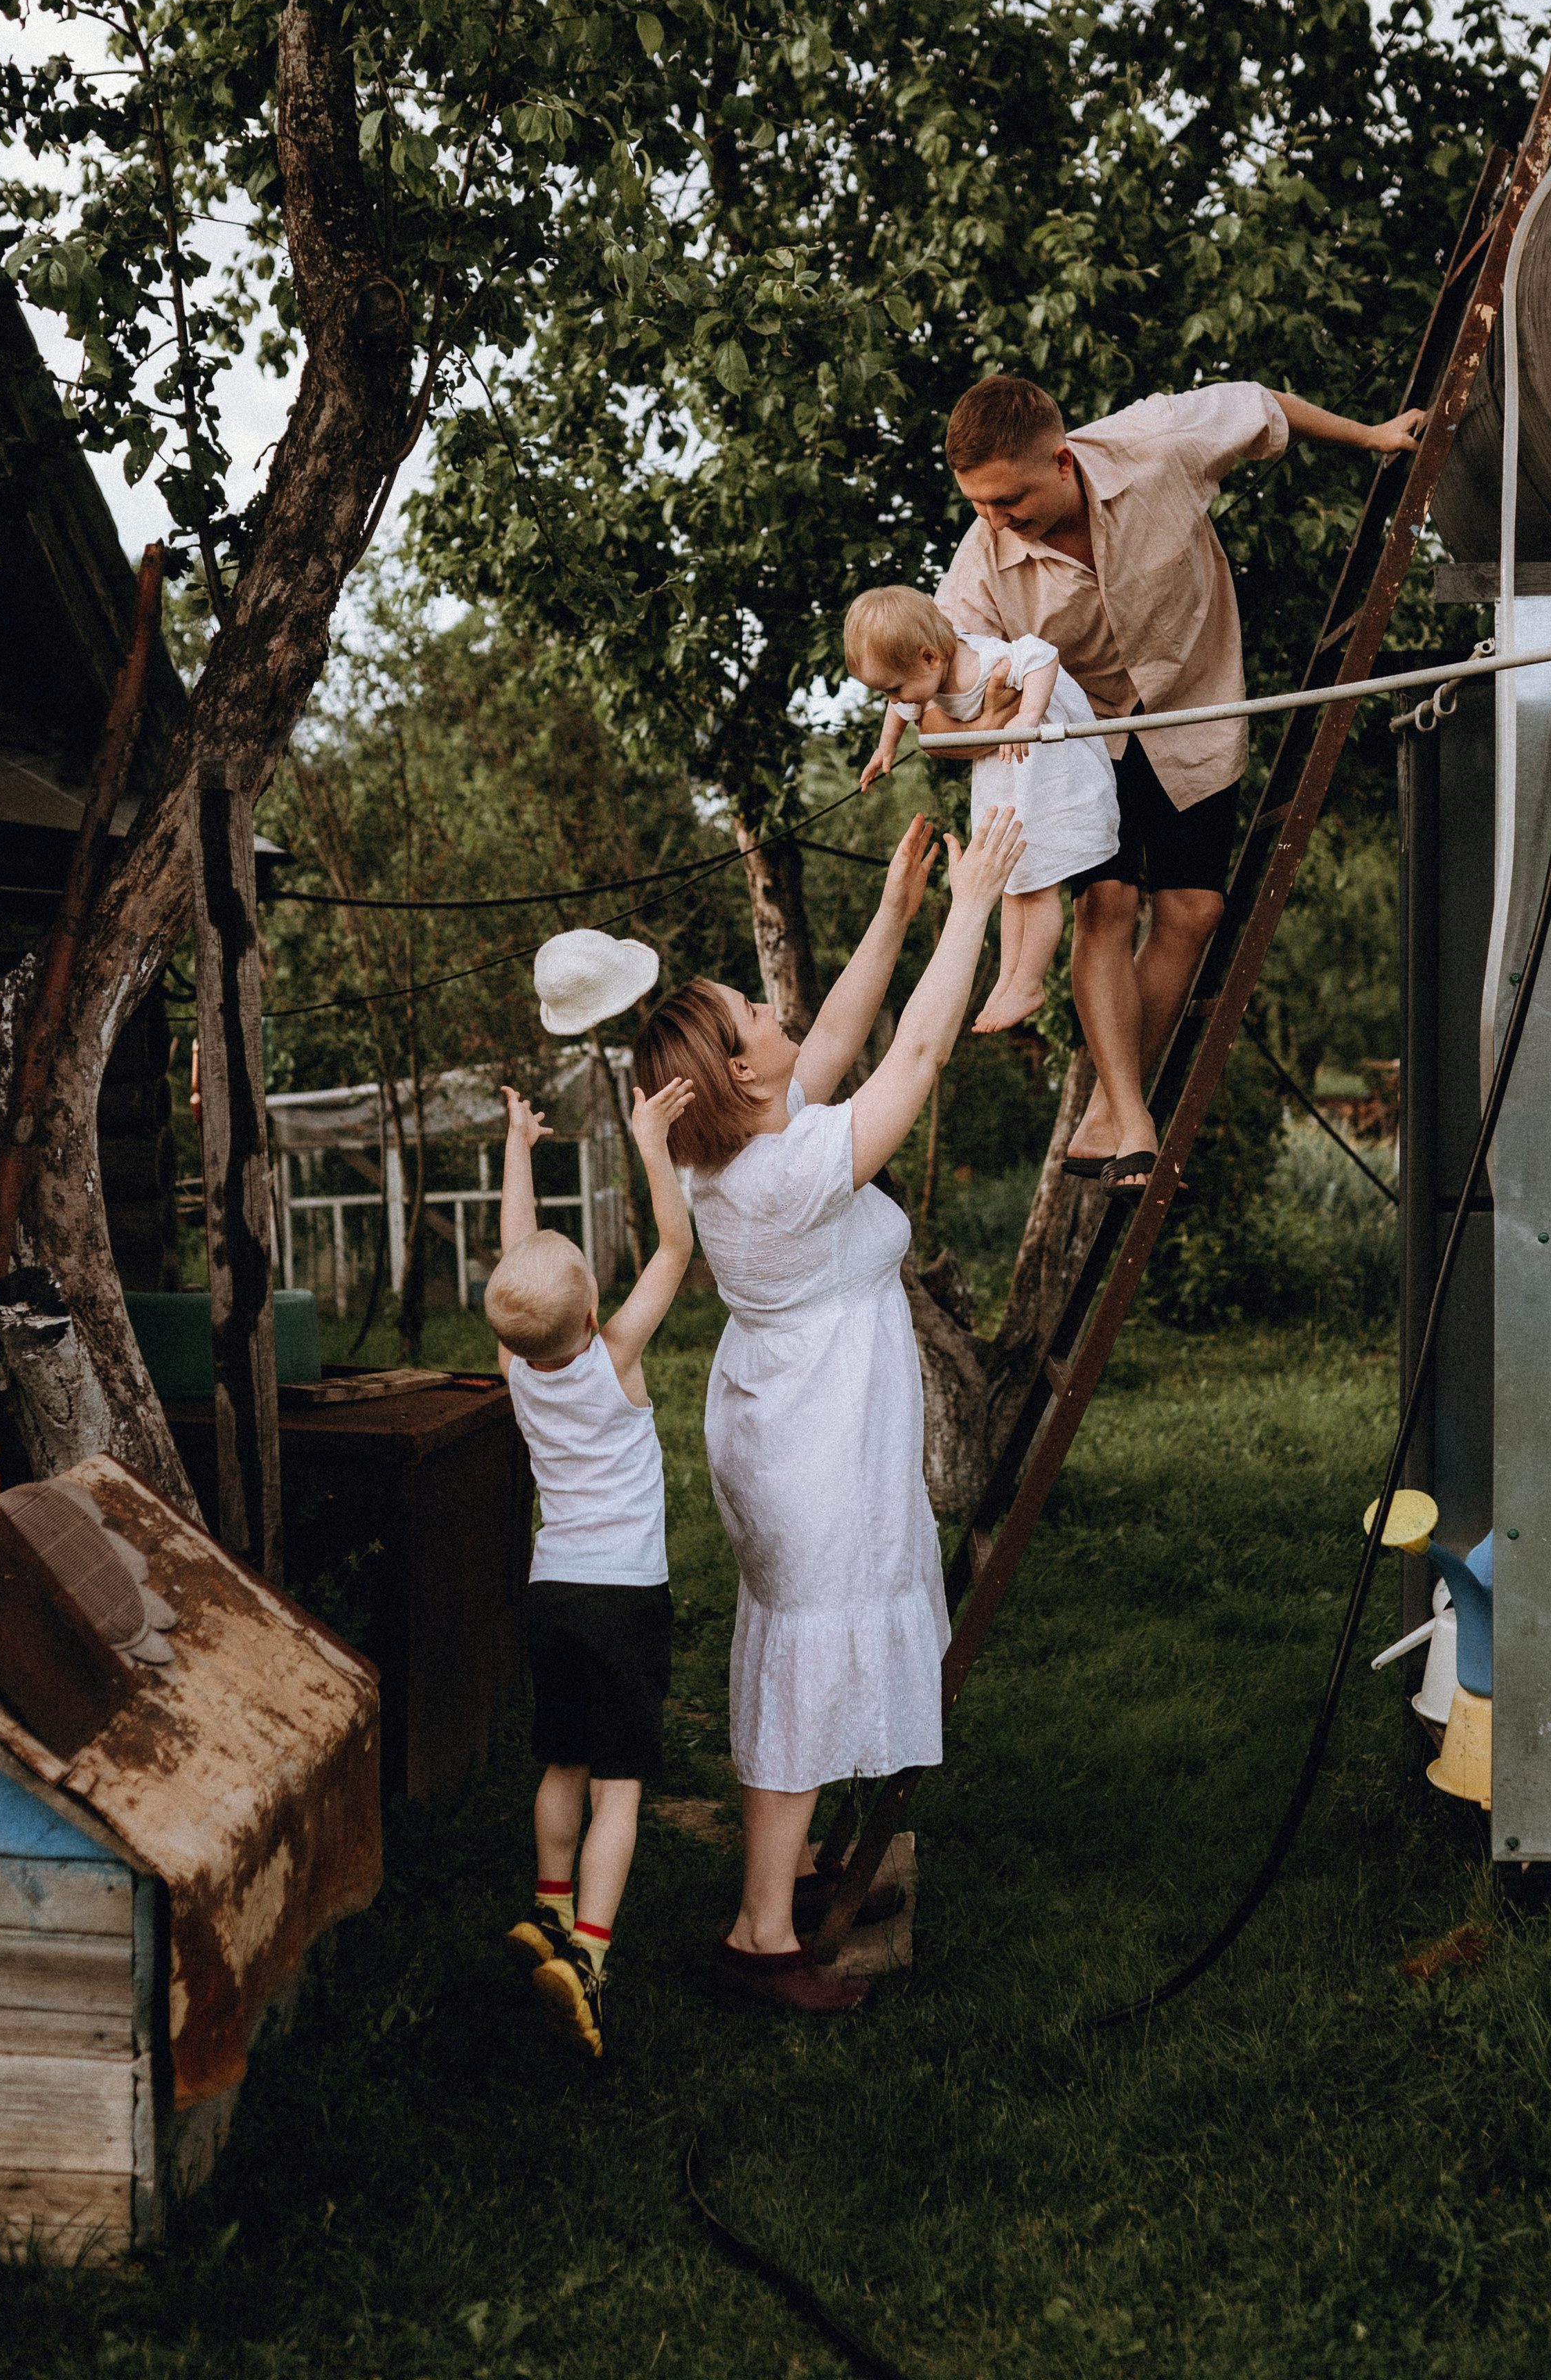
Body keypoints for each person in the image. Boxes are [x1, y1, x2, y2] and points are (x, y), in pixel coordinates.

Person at [632, 807, 1025, 2014]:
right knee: (806, 1660)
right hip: (813, 1440)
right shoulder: (786, 1172)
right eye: (750, 1015)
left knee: (789, 1647)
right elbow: (910, 1057)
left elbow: (846, 1030)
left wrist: (901, 907)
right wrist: (973, 907)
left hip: (785, 1422)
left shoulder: (742, 1140)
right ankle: (760, 1938)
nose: (770, 1011)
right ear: (737, 1073)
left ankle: (788, 1871)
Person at [936, 372, 1427, 1187]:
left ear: (1061, 462)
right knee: (1108, 902)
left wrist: (1369, 436)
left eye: (1008, 500)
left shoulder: (1156, 445)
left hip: (1190, 708)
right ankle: (1131, 1116)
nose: (994, 520)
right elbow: (945, 700)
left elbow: (1266, 405)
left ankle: (1105, 1109)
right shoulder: (978, 568)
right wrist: (970, 726)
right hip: (1083, 735)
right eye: (978, 503)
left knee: (1194, 912)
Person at [490, 1069, 695, 2061]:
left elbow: (512, 1260)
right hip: (623, 1598)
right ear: (591, 1309)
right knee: (620, 1778)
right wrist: (651, 1144)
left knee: (560, 1758)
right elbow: (675, 1246)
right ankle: (590, 1959)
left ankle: (547, 1905)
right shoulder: (616, 1355)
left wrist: (519, 1148)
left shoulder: (514, 1369)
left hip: (552, 1594)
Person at [846, 582, 1117, 1033]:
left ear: (930, 657)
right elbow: (902, 712)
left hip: (1047, 774)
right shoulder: (919, 676)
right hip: (1010, 778)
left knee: (1041, 882)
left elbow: (1042, 656)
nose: (896, 701)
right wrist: (885, 748)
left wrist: (1029, 715)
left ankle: (1029, 981)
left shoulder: (983, 662)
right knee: (1010, 882)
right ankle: (1008, 980)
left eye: (895, 689)